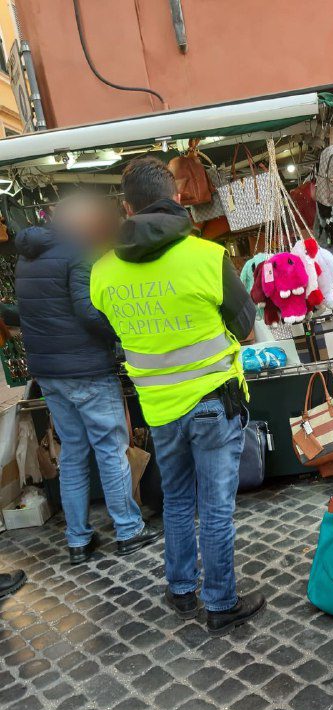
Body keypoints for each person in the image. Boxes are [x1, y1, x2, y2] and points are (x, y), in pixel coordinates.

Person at [90, 156, 264, 636]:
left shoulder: (102, 272)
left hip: (159, 409)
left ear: (126, 207)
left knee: (177, 499)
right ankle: (221, 602)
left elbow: (114, 332)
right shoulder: (207, 258)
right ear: (180, 197)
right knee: (215, 507)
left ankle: (181, 589)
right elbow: (246, 327)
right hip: (213, 401)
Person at [14, 194, 161, 565]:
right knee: (110, 450)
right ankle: (128, 529)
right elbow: (87, 312)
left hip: (49, 375)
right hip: (87, 371)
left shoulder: (25, 259)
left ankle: (78, 538)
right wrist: (120, 333)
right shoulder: (77, 253)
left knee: (74, 455)